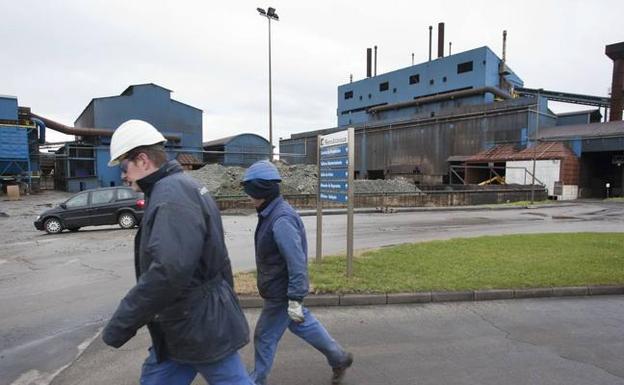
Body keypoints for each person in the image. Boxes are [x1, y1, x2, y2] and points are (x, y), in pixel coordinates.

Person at [102, 119, 253, 385]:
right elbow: (219, 260)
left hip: (197, 324)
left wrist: (122, 322)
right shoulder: (180, 186)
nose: (123, 176)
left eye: (124, 167)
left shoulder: (171, 196)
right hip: (185, 323)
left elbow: (168, 271)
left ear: (143, 160)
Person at [242, 160, 353, 385]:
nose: (247, 196)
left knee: (264, 337)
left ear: (262, 191)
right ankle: (339, 357)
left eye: (250, 191)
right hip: (281, 290)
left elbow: (296, 262)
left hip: (281, 294)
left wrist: (294, 297)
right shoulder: (271, 212)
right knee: (304, 324)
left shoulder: (281, 220)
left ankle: (256, 381)